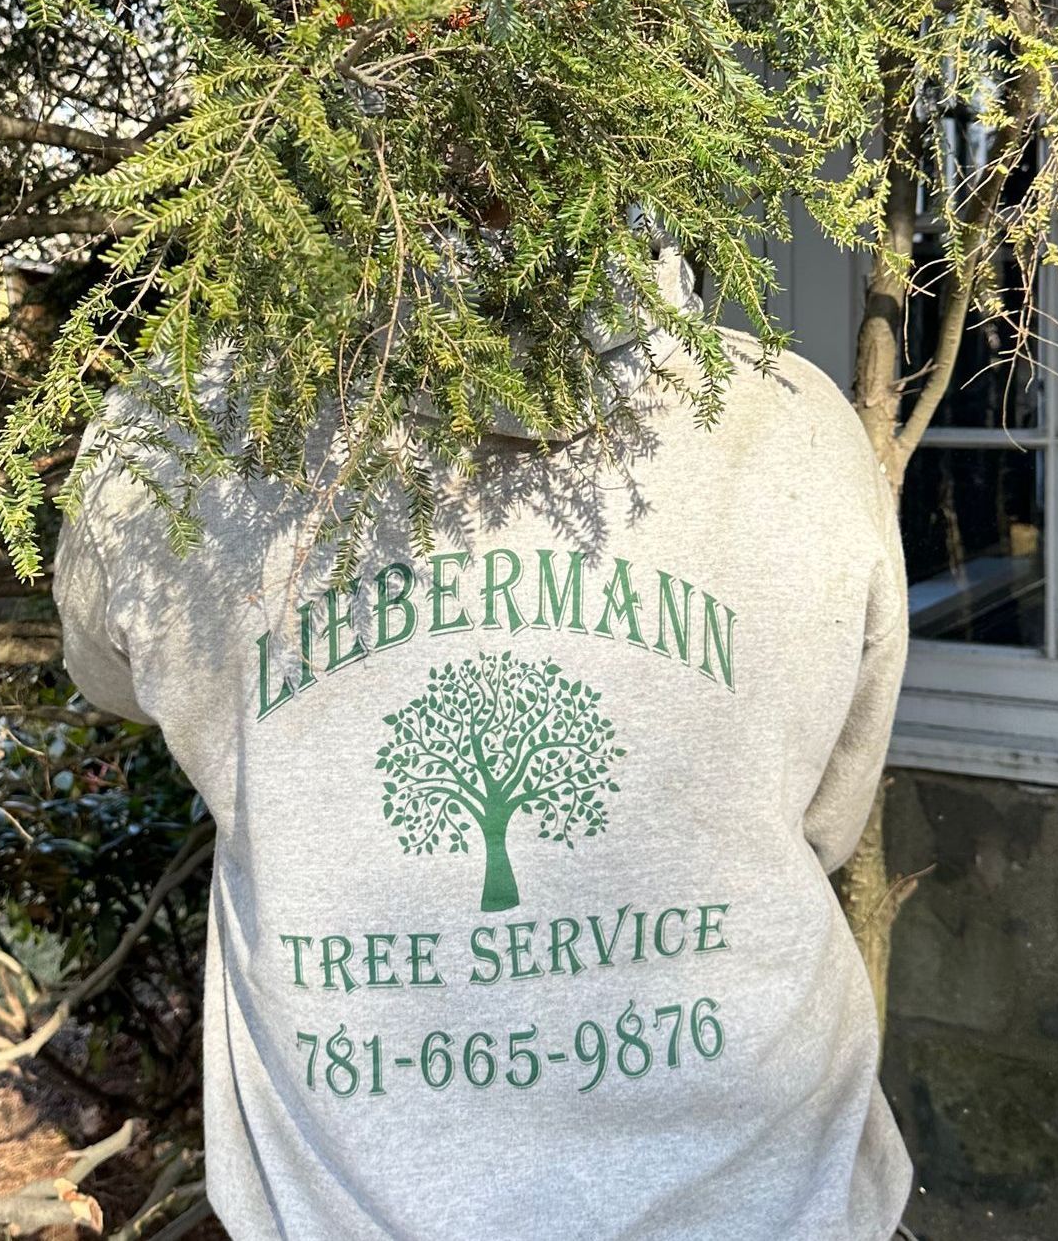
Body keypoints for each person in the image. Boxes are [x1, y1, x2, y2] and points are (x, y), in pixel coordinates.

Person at [55, 249, 913, 1239]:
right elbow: (829, 817)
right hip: (778, 1200)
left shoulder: (175, 444)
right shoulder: (795, 422)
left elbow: (110, 677)